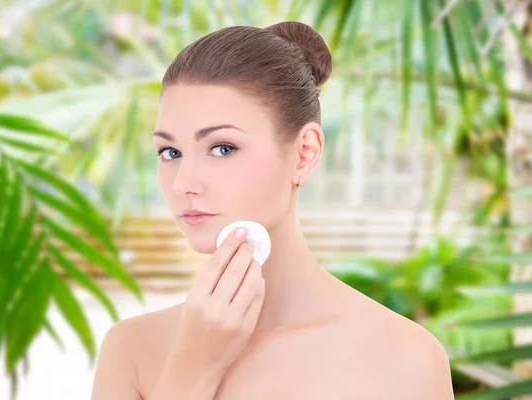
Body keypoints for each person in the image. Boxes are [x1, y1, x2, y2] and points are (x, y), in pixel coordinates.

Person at [91, 21, 455, 400]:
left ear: (304, 153)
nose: (183, 182)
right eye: (171, 152)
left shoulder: (404, 359)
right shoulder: (131, 350)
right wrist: (194, 366)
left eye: (222, 148)